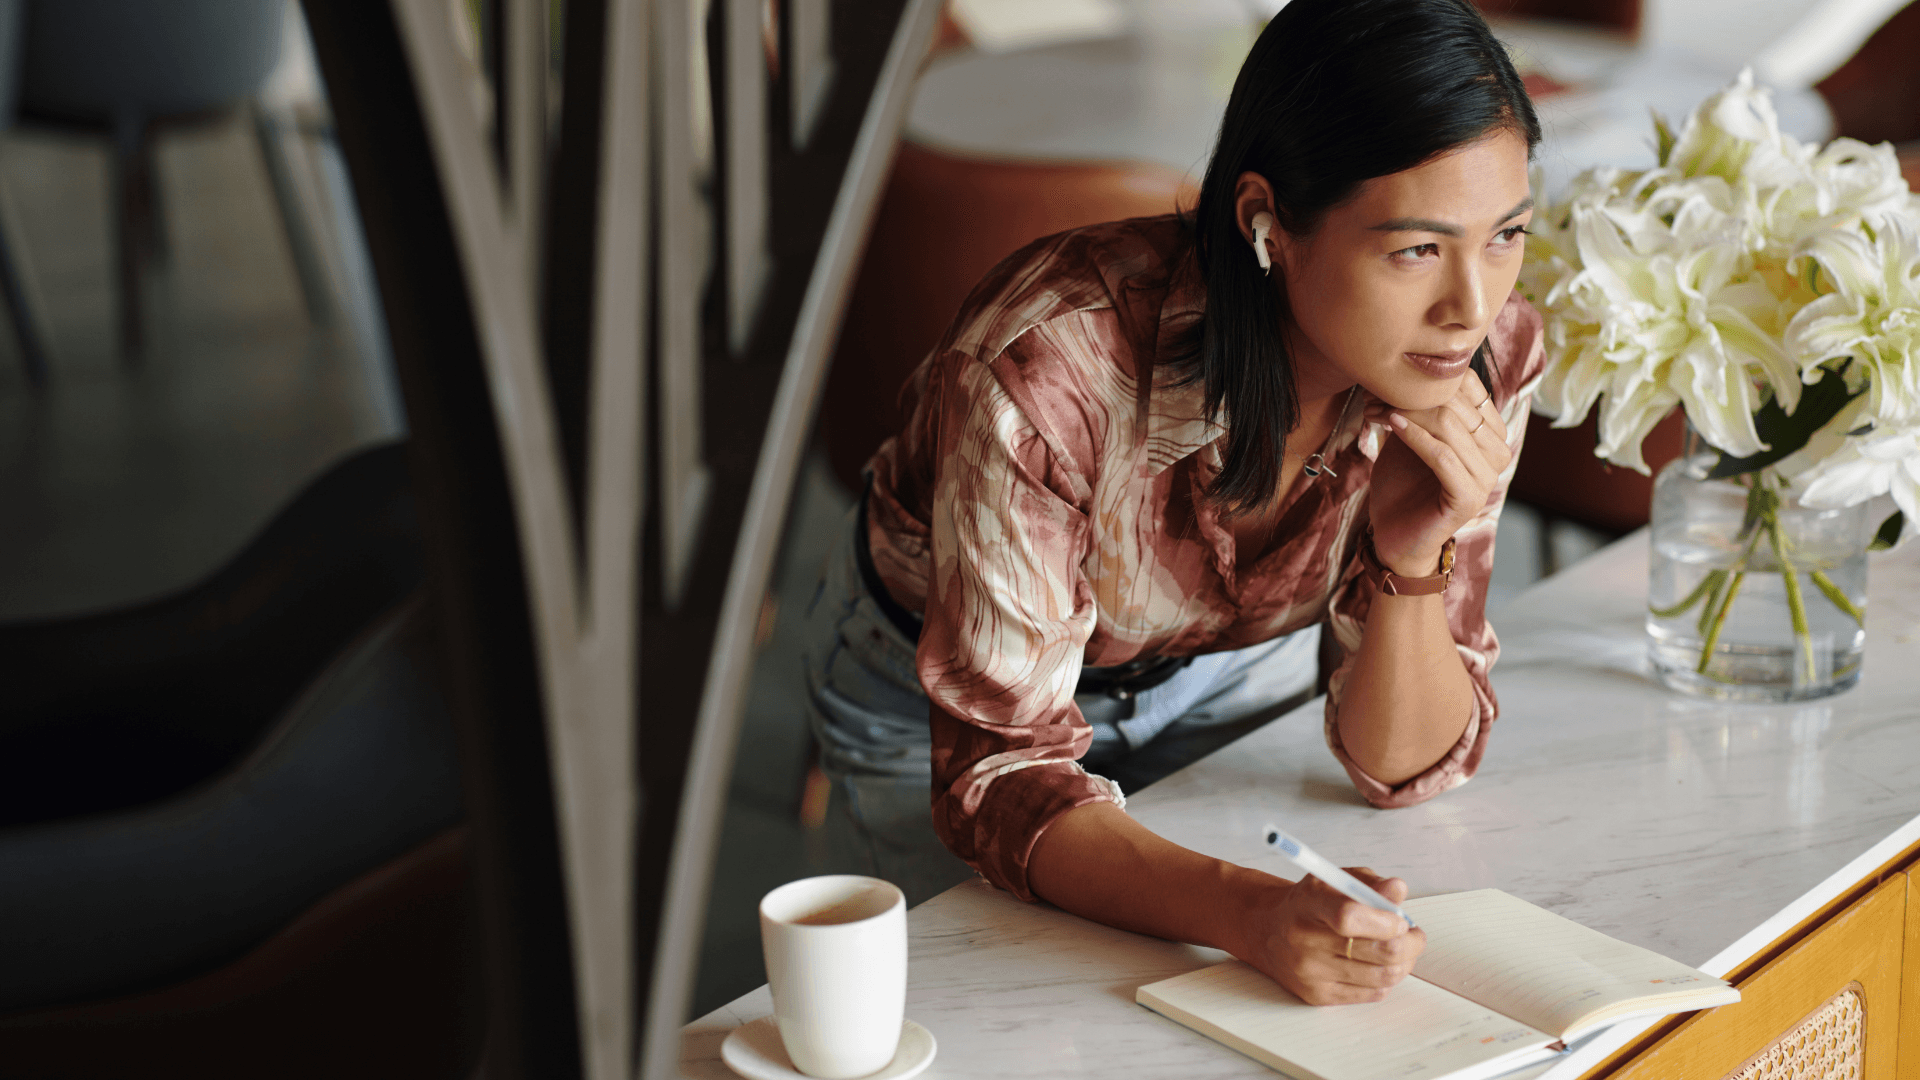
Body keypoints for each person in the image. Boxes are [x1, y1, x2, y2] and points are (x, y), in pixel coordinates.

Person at [801, 0, 1543, 1007]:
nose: (1472, 304)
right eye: (1416, 249)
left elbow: (1405, 771)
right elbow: (1000, 779)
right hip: (947, 701)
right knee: (974, 1025)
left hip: (1231, 673)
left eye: (1506, 236)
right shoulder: (1049, 366)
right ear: (1265, 223)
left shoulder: (1481, 359)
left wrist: (1414, 554)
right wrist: (1250, 914)